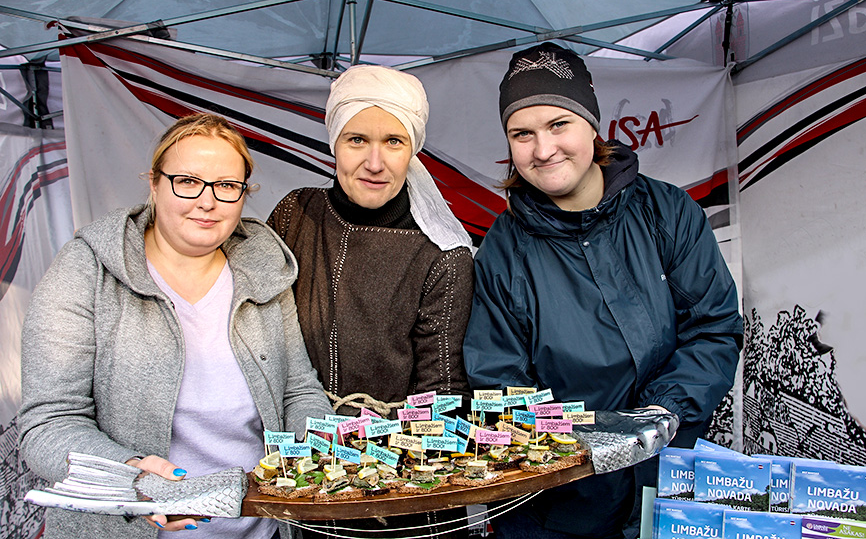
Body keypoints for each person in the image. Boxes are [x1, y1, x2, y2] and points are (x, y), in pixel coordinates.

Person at [462, 42, 743, 539]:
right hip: (557, 507)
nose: (543, 149)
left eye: (558, 125)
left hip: (667, 485)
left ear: (592, 126)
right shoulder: (503, 250)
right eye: (521, 134)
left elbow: (714, 328)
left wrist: (663, 413)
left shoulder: (667, 213)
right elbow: (497, 379)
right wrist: (575, 446)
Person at [18, 113, 333, 539]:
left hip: (260, 530)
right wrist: (130, 475)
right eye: (187, 181)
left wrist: (318, 446)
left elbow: (298, 388)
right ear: (153, 182)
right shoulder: (87, 270)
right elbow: (49, 422)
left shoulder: (264, 268)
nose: (208, 202)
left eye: (226, 186)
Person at [267, 65, 474, 537]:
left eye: (394, 142)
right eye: (357, 139)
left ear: (413, 151)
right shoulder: (294, 214)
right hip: (303, 469)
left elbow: (442, 391)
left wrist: (381, 486)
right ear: (334, 143)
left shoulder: (441, 253)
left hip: (400, 489)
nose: (374, 162)